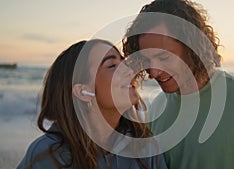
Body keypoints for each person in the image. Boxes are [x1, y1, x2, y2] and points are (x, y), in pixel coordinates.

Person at [122, 0, 234, 168]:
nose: (153, 72)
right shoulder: (156, 109)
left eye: (163, 57)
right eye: (146, 60)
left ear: (193, 47)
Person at [17, 39, 167, 169]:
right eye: (112, 65)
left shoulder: (145, 148)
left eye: (123, 63)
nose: (129, 71)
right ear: (83, 92)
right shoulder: (47, 156)